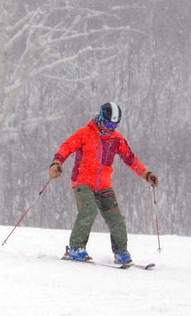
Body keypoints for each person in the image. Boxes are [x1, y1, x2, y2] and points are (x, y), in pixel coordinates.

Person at [48, 101, 159, 266]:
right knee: (89, 210)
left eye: (114, 124)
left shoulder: (116, 139)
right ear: (100, 118)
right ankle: (76, 248)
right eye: (108, 123)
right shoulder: (85, 133)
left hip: (104, 185)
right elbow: (66, 147)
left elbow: (130, 159)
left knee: (116, 218)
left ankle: (121, 252)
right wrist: (56, 163)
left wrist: (146, 174)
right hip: (82, 181)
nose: (110, 128)